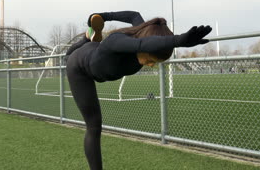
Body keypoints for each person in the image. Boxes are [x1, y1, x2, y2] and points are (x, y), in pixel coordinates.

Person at [65, 11, 211, 170]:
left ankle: (89, 38)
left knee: (88, 48)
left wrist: (173, 43)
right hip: (80, 67)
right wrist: (177, 40)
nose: (150, 65)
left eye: (154, 62)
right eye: (150, 59)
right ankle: (86, 38)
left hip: (94, 53)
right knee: (94, 125)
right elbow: (143, 44)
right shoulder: (116, 41)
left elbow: (135, 16)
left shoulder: (142, 35)